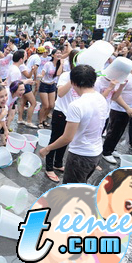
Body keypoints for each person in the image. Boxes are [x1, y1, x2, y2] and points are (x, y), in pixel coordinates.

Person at [39, 65, 109, 184]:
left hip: (80, 155)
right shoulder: (101, 98)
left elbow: (67, 137)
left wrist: (47, 149)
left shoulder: (77, 105)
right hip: (96, 153)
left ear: (73, 83)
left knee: (71, 192)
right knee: (81, 186)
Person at [101, 55, 132, 164]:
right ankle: (106, 152)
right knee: (114, 131)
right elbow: (116, 95)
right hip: (119, 109)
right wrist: (127, 108)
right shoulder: (125, 77)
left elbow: (131, 92)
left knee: (119, 131)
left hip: (127, 109)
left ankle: (112, 149)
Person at [44, 49, 79, 183]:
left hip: (73, 115)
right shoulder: (66, 76)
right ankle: (49, 167)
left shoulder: (84, 78)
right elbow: (61, 93)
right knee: (55, 139)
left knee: (65, 140)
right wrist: (73, 79)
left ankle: (58, 163)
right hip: (60, 113)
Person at [38, 49, 63, 128]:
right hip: (44, 85)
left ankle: (44, 119)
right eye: (57, 53)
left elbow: (58, 74)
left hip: (52, 85)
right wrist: (38, 76)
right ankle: (40, 121)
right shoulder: (48, 64)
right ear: (52, 55)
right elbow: (42, 74)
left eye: (60, 53)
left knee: (51, 105)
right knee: (45, 105)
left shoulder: (60, 65)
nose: (59, 54)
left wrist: (61, 63)